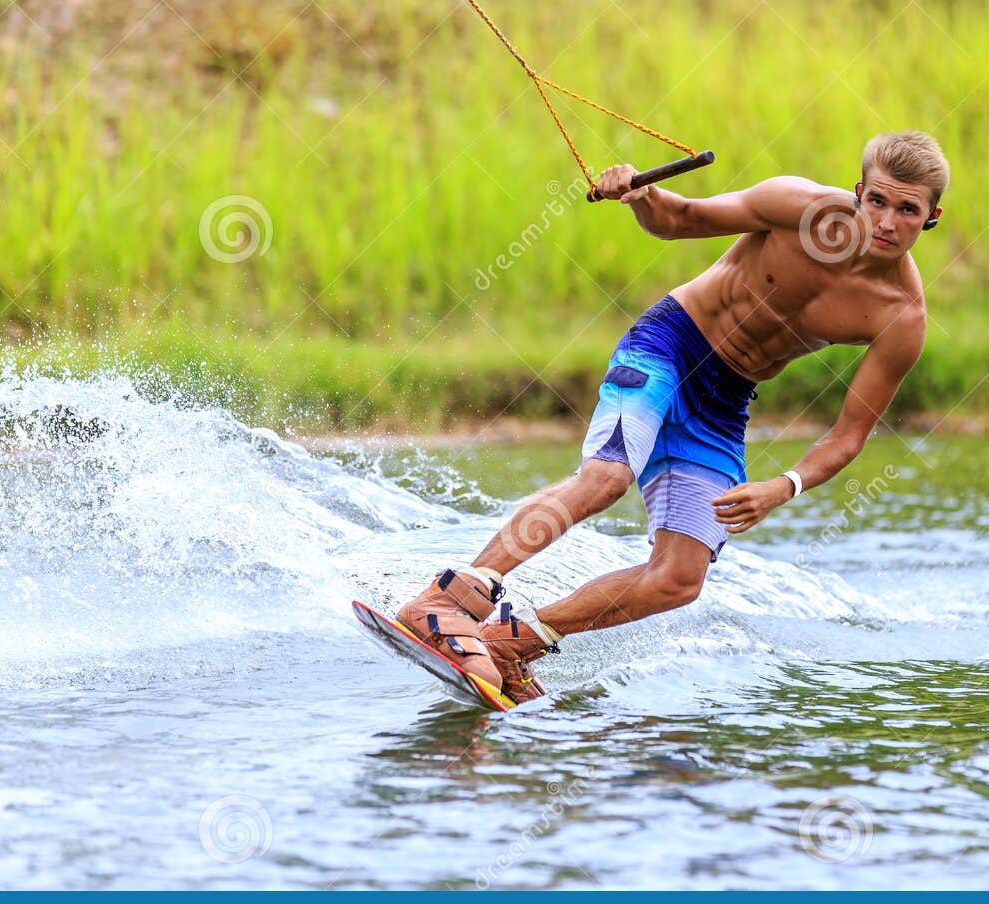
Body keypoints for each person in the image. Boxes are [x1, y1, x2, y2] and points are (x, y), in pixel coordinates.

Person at [397, 130, 947, 703]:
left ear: (931, 217)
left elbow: (848, 435)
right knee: (608, 478)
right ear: (858, 192)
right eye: (877, 201)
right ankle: (450, 598)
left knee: (679, 580)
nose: (886, 222)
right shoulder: (797, 205)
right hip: (671, 345)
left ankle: (512, 643)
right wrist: (641, 196)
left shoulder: (901, 317)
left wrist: (782, 486)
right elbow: (680, 218)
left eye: (907, 210)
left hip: (723, 402)